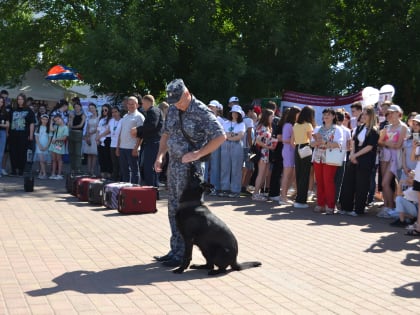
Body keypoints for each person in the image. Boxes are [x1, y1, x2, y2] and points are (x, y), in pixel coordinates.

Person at [153, 79, 226, 267]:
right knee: (173, 211)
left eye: (178, 100)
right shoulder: (172, 109)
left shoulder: (201, 111)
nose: (176, 104)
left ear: (187, 93)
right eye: (173, 101)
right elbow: (166, 135)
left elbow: (220, 136)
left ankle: (185, 255)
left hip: (191, 172)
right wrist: (160, 155)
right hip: (174, 167)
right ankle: (175, 250)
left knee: (189, 215)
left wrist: (198, 153)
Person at [339, 105, 379, 216]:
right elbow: (353, 142)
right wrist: (352, 155)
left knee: (362, 185)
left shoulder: (374, 130)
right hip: (354, 156)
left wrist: (356, 155)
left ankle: (358, 209)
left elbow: (370, 147)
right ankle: (346, 207)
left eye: (367, 114)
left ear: (371, 115)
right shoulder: (360, 127)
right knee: (348, 182)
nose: (364, 116)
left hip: (365, 159)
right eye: (363, 114)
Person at [310, 108, 344, 214]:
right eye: (324, 115)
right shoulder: (318, 128)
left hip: (330, 158)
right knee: (319, 182)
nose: (326, 116)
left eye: (328, 115)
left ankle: (330, 205)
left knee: (328, 181)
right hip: (318, 157)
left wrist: (325, 143)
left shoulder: (337, 129)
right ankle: (320, 204)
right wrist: (317, 142)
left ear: (334, 116)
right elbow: (311, 143)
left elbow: (339, 144)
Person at [378, 104, 409, 212]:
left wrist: (387, 143)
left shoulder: (403, 127)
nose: (390, 115)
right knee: (385, 183)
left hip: (397, 159)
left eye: (392, 112)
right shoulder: (388, 127)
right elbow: (380, 142)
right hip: (385, 157)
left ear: (398, 113)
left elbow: (398, 145)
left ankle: (391, 206)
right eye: (389, 113)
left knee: (385, 183)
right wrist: (388, 143)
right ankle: (387, 206)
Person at [131, 95, 163, 187]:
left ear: (148, 102)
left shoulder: (153, 111)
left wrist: (137, 129)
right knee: (150, 168)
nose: (142, 105)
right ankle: (152, 191)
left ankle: (151, 191)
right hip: (152, 142)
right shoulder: (154, 111)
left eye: (143, 103)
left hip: (153, 143)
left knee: (150, 168)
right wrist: (138, 132)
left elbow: (152, 126)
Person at [218, 105, 245, 198]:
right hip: (225, 145)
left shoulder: (242, 124)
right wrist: (233, 134)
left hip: (237, 145)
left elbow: (240, 136)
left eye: (237, 113)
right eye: (233, 112)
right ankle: (224, 188)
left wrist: (229, 135)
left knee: (236, 168)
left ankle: (235, 190)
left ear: (240, 114)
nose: (234, 114)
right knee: (225, 167)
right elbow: (223, 134)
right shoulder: (225, 122)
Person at [116, 96, 144, 184]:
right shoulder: (125, 116)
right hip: (122, 147)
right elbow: (121, 132)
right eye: (129, 104)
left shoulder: (139, 117)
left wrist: (136, 148)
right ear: (127, 105)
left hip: (132, 148)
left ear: (137, 105)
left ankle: (135, 190)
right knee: (124, 171)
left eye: (133, 104)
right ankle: (125, 190)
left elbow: (141, 135)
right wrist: (118, 147)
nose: (131, 106)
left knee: (135, 171)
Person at [292, 106, 315, 208]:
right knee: (305, 175)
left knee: (299, 173)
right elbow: (312, 140)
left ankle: (298, 198)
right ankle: (301, 200)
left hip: (297, 148)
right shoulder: (308, 125)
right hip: (306, 148)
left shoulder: (296, 125)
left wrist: (298, 147)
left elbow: (292, 141)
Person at [252, 108, 276, 201]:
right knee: (261, 173)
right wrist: (267, 146)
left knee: (264, 173)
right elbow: (257, 140)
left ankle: (258, 193)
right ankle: (255, 193)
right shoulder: (262, 127)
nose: (273, 117)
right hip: (262, 151)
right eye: (272, 115)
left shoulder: (266, 126)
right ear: (267, 116)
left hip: (265, 151)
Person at [9, 93, 35, 176]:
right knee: (13, 152)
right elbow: (9, 122)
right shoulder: (13, 110)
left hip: (24, 135)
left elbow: (32, 123)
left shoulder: (28, 111)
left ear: (24, 100)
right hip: (13, 135)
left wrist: (31, 135)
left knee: (22, 152)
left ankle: (21, 170)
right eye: (18, 99)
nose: (20, 101)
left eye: (21, 99)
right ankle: (13, 170)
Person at [279, 106, 301, 205]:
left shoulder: (294, 124)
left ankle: (284, 195)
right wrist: (296, 142)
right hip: (288, 151)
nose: (299, 116)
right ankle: (283, 197)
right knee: (287, 174)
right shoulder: (288, 125)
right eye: (298, 114)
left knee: (290, 175)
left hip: (292, 151)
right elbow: (284, 139)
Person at [68, 97, 86, 174]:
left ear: (80, 107)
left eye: (78, 107)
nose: (76, 108)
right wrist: (71, 119)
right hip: (71, 133)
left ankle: (78, 168)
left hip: (78, 134)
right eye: (75, 107)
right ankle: (72, 168)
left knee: (78, 153)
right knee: (71, 152)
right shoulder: (72, 114)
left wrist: (73, 126)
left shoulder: (83, 115)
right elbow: (69, 124)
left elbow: (81, 125)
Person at [48, 115, 68, 179]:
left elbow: (64, 138)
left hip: (59, 145)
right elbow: (51, 129)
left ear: (61, 119)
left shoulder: (65, 127)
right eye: (55, 121)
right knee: (53, 159)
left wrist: (56, 139)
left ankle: (59, 174)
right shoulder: (56, 126)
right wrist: (51, 122)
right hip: (53, 145)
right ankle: (53, 173)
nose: (57, 121)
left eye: (58, 119)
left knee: (59, 159)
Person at [96, 104, 113, 178]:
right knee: (101, 158)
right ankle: (102, 173)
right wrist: (97, 138)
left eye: (105, 110)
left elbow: (108, 131)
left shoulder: (111, 119)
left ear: (109, 110)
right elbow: (98, 129)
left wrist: (100, 136)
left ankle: (109, 174)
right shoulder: (101, 119)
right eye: (103, 110)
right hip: (100, 140)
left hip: (107, 140)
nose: (104, 111)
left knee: (107, 158)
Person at [83, 103, 99, 176]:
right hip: (89, 135)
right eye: (90, 108)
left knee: (94, 154)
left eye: (92, 107)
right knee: (89, 154)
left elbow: (98, 128)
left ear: (95, 108)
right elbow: (87, 127)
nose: (91, 109)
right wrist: (87, 136)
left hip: (95, 136)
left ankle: (92, 170)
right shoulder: (89, 117)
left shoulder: (99, 117)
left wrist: (91, 133)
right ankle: (88, 170)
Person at [34, 114, 52, 179]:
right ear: (41, 120)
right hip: (39, 146)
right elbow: (36, 137)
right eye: (43, 119)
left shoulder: (49, 128)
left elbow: (50, 138)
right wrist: (39, 145)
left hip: (46, 146)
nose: (44, 121)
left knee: (43, 161)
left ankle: (41, 173)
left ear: (48, 120)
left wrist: (46, 146)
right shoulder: (38, 127)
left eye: (46, 120)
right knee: (41, 160)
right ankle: (44, 173)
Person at [109, 106, 122, 181]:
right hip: (112, 144)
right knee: (114, 163)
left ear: (119, 112)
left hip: (120, 145)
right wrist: (100, 135)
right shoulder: (111, 121)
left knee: (120, 163)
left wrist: (118, 146)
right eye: (112, 112)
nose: (114, 113)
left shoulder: (122, 121)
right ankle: (114, 178)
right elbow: (108, 130)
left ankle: (120, 178)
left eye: (115, 112)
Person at [0, 96, 9, 178]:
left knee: (1, 153)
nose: (0, 103)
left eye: (2, 102)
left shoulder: (5, 112)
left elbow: (7, 125)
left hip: (2, 133)